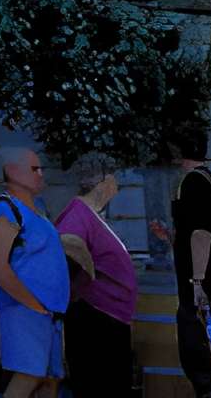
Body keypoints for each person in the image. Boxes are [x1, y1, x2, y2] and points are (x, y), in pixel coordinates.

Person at [150, 133, 211, 398]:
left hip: (201, 281)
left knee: (197, 339)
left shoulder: (191, 183)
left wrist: (197, 282)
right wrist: (171, 238)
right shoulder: (209, 179)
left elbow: (200, 235)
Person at [0, 144, 69, 398]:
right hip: (25, 310)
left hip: (48, 313)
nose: (40, 174)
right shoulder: (6, 208)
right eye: (34, 169)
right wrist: (34, 305)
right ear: (12, 171)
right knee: (28, 376)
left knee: (48, 380)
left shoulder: (36, 210)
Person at [54, 154, 138, 398]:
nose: (117, 186)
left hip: (106, 317)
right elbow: (67, 242)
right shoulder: (79, 213)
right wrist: (87, 271)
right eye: (115, 179)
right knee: (99, 386)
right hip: (95, 318)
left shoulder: (89, 213)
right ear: (103, 182)